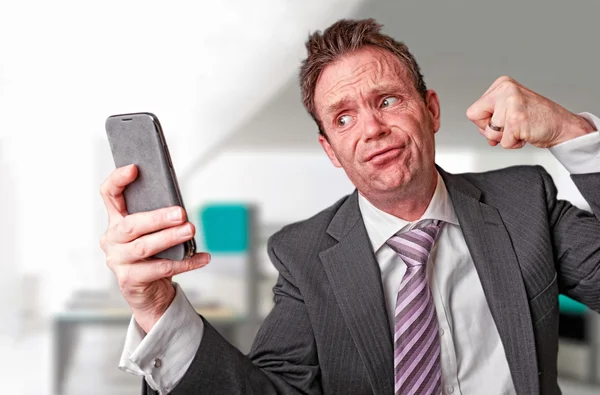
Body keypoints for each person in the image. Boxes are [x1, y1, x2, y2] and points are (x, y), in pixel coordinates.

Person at [99, 18, 600, 395]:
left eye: (387, 101)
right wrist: (157, 307)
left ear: (431, 111)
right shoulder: (303, 254)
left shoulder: (523, 202)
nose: (372, 129)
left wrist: (572, 135)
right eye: (343, 118)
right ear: (329, 151)